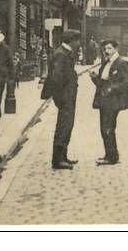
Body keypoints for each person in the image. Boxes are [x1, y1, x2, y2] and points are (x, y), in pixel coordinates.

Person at [91, 39, 128, 166]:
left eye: (109, 48)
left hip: (113, 101)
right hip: (104, 100)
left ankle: (112, 157)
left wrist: (112, 88)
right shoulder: (106, 63)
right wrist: (94, 78)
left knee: (108, 128)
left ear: (116, 49)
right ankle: (109, 155)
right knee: (104, 129)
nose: (106, 51)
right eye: (105, 49)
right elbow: (101, 83)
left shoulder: (122, 63)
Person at [46, 29, 81, 170]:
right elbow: (56, 78)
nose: (79, 44)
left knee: (67, 125)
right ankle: (58, 160)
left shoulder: (65, 53)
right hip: (65, 97)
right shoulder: (61, 55)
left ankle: (63, 156)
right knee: (63, 126)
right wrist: (60, 98)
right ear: (72, 41)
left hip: (68, 96)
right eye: (77, 41)